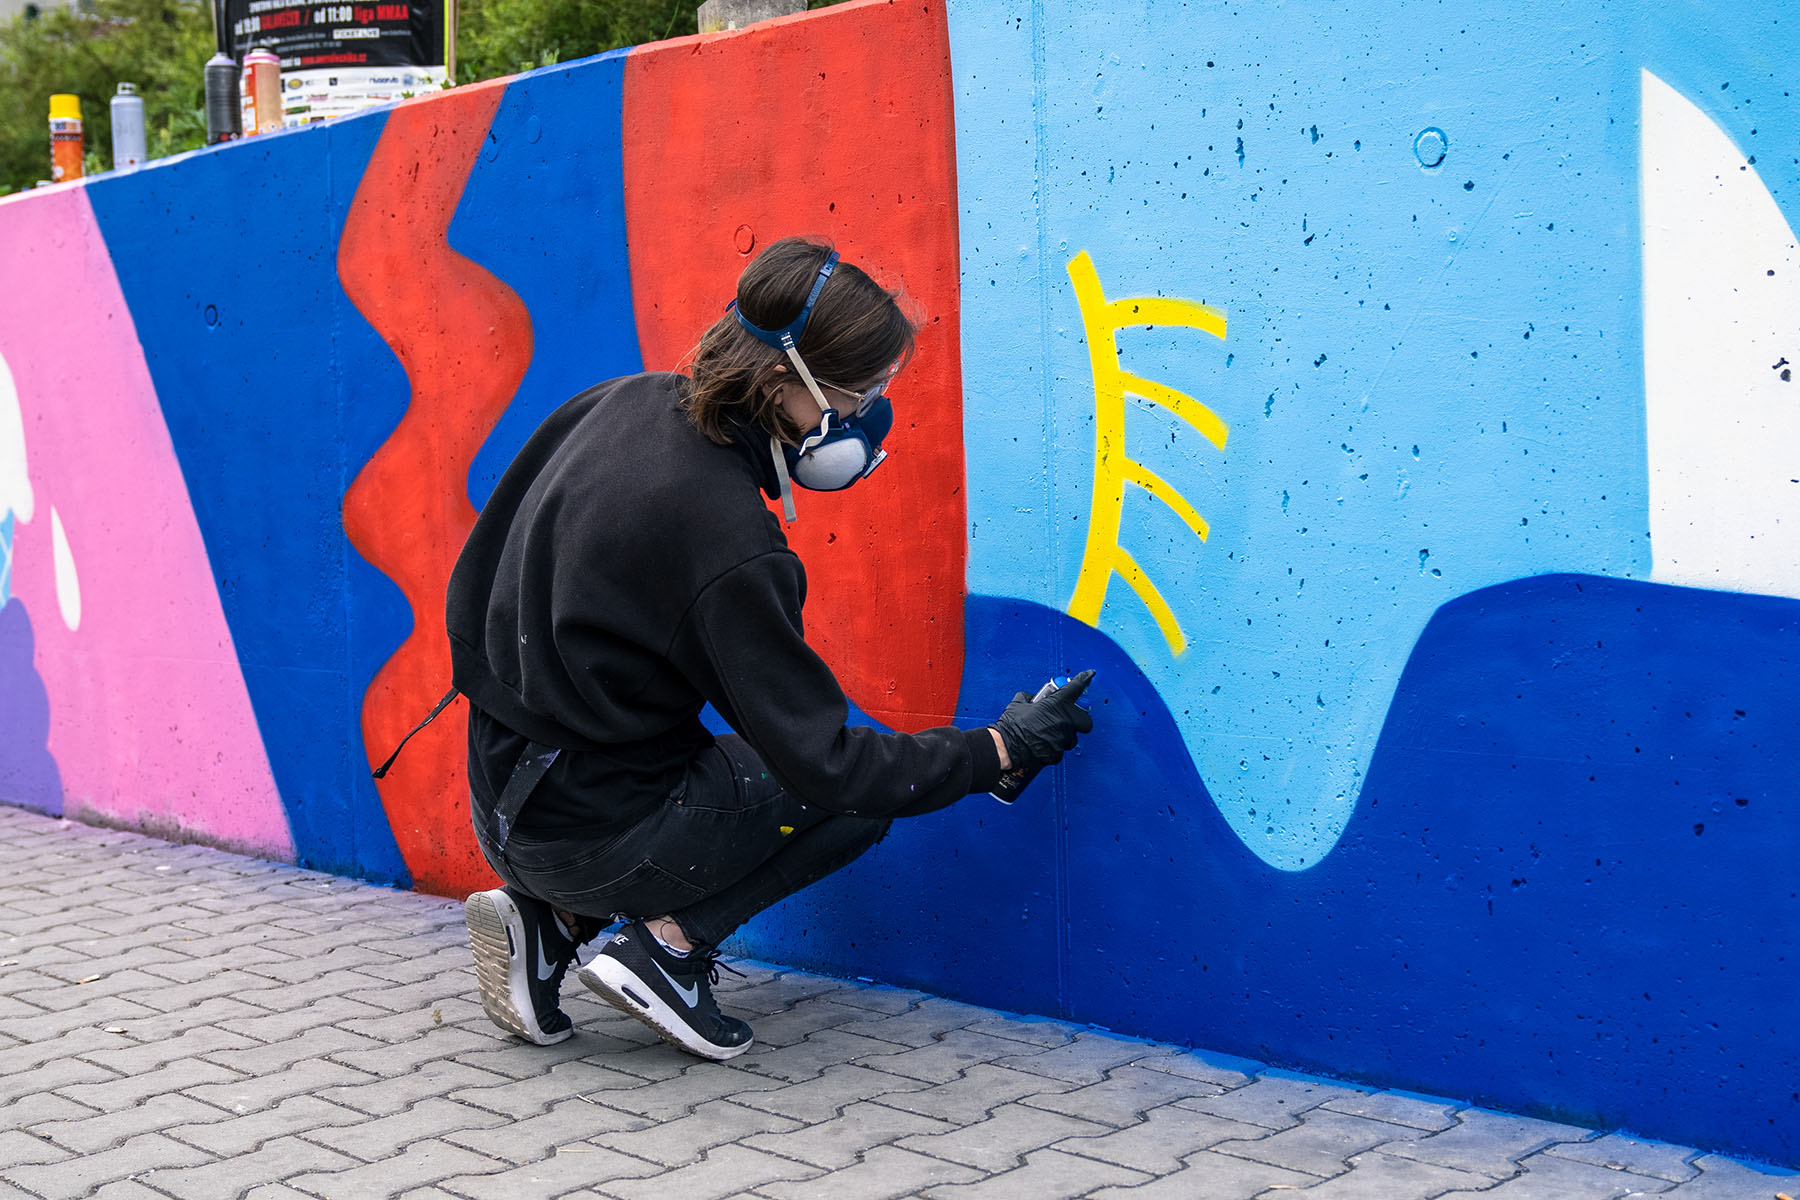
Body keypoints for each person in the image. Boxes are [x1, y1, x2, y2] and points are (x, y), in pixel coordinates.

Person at [445, 236, 1095, 1061]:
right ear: (787, 384)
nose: (865, 418)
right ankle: (668, 951)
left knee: (701, 761)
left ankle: (552, 923)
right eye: (861, 394)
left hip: (500, 801)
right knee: (860, 797)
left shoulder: (619, 401)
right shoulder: (729, 536)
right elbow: (830, 766)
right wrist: (997, 748)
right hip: (588, 840)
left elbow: (471, 588)